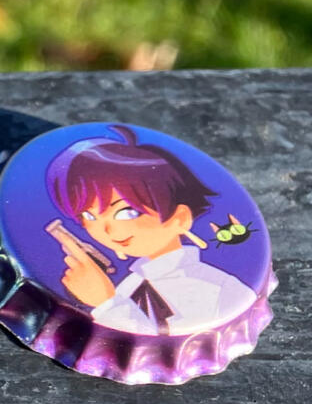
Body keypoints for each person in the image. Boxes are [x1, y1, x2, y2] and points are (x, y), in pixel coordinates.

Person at [44, 124, 256, 335]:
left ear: (180, 218)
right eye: (89, 216)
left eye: (127, 212)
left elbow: (162, 336)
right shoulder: (132, 283)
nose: (106, 229)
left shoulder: (219, 289)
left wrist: (105, 302)